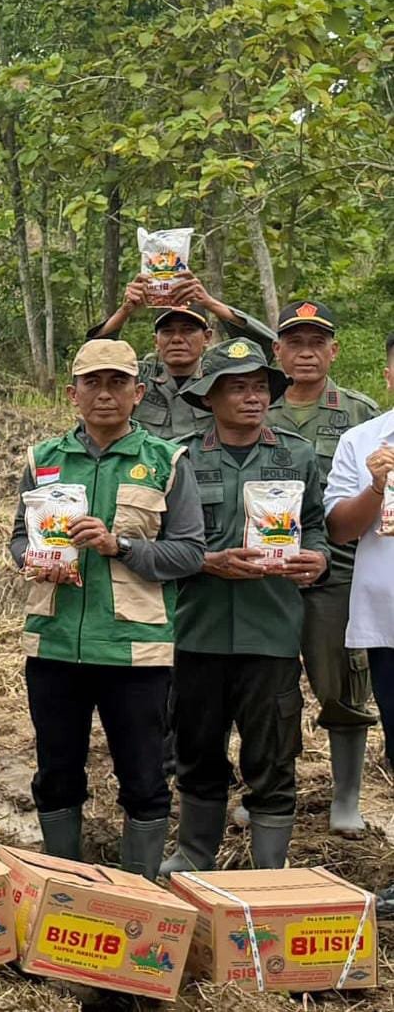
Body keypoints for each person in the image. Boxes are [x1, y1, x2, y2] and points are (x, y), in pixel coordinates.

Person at [8, 340, 205, 879]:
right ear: (72, 394)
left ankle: (138, 895)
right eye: (92, 383)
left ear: (138, 393)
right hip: (52, 643)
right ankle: (64, 888)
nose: (104, 394)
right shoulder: (42, 460)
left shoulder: (166, 462)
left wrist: (120, 545)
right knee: (56, 773)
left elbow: (190, 553)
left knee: (142, 779)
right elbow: (16, 543)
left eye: (117, 382)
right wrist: (36, 559)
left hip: (133, 651)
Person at [160, 339, 327, 874]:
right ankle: (194, 855)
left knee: (273, 755)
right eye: (237, 387)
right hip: (197, 629)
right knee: (197, 748)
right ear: (209, 396)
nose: (252, 398)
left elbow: (319, 526)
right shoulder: (179, 458)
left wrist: (318, 559)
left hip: (271, 630)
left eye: (259, 387)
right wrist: (206, 561)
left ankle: (268, 873)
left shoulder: (296, 455)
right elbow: (160, 540)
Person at [262, 300, 381, 836]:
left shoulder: (362, 415)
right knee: (270, 687)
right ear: (278, 351)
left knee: (342, 682)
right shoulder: (256, 407)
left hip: (341, 572)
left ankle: (347, 796)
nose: (306, 352)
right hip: (267, 576)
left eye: (317, 343)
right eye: (295, 342)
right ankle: (271, 790)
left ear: (334, 351)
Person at [325, 331, 394, 787]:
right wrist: (374, 486)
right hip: (389, 623)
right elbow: (339, 529)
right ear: (389, 376)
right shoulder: (362, 441)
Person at [87, 273, 275, 440]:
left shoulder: (218, 377)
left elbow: (268, 347)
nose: (177, 339)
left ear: (207, 337)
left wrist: (210, 303)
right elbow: (93, 357)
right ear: (156, 340)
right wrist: (125, 310)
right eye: (168, 332)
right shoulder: (139, 375)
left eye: (188, 331)